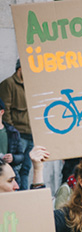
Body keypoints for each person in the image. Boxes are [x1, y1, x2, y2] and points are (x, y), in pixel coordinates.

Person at [0, 59, 33, 190]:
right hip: (18, 132)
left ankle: (23, 195)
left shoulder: (30, 84)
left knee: (25, 168)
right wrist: (12, 129)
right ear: (20, 69)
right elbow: (5, 109)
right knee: (13, 172)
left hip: (30, 133)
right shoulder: (8, 84)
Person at [0, 97, 23, 187]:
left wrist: (13, 158)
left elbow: (21, 156)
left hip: (9, 177)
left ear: (1, 112)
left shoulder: (12, 132)